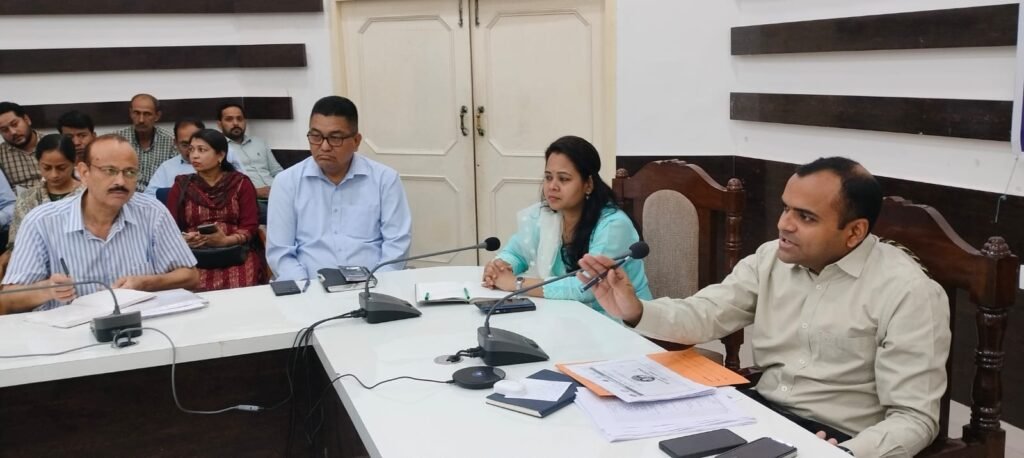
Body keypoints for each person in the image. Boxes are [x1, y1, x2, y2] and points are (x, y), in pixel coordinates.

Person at [578, 157, 950, 457]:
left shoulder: (908, 292)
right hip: (760, 415)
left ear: (854, 232)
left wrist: (846, 453)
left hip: (839, 439)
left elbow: (914, 419)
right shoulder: (770, 258)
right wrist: (636, 310)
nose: (784, 224)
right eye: (786, 208)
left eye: (805, 217)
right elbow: (707, 313)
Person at [1, 134, 198, 313]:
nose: (120, 181)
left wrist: (147, 283)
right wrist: (47, 290)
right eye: (109, 171)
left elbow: (190, 276)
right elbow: (8, 299)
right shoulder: (41, 221)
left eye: (130, 172)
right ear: (84, 172)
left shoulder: (152, 212)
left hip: (141, 327)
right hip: (68, 333)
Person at [481, 136, 651, 315]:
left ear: (588, 184)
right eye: (548, 177)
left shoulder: (614, 225)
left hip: (619, 320)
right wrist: (500, 266)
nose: (552, 186)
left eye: (563, 179)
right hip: (567, 314)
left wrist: (516, 284)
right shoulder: (545, 215)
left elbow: (587, 286)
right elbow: (517, 253)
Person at [266, 96, 411, 281]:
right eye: (316, 136)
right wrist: (306, 288)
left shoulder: (385, 179)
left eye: (335, 138)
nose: (324, 146)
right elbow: (281, 253)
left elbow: (397, 245)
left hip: (372, 285)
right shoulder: (286, 182)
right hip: (310, 287)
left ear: (356, 141)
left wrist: (375, 285)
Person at [166, 129, 266, 292]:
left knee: (242, 285)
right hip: (194, 255)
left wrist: (226, 241)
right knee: (191, 285)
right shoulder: (181, 186)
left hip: (236, 253)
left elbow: (250, 225)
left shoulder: (240, 183)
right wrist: (185, 239)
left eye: (202, 150)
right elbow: (170, 228)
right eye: (191, 149)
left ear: (220, 155)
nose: (194, 156)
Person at [6, 134, 84, 253]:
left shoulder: (88, 195)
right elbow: (17, 242)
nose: (54, 175)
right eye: (47, 168)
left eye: (61, 168)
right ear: (38, 164)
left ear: (74, 163)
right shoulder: (27, 199)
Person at [145, 118, 245, 200]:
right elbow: (149, 198)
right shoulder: (167, 167)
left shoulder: (225, 154)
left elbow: (243, 187)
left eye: (199, 146)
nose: (193, 153)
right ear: (175, 143)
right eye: (185, 145)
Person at [112, 94, 177, 192]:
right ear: (130, 113)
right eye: (136, 113)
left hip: (157, 197)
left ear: (157, 116)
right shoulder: (116, 141)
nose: (141, 120)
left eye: (147, 114)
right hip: (126, 195)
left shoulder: (171, 142)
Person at [0, 101, 42, 192]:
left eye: (15, 124)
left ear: (27, 120)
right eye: (4, 130)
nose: (13, 132)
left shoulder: (55, 144)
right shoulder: (1, 155)